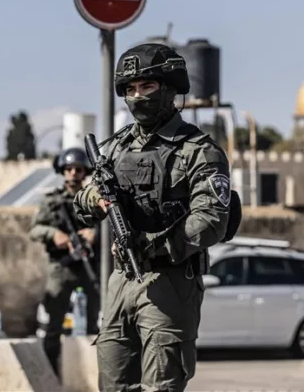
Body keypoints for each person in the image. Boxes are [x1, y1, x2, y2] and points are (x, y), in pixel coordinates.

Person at [73, 43, 239, 391]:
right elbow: (81, 204)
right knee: (112, 384)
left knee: (161, 386)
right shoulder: (115, 148)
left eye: (146, 86)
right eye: (131, 89)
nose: (138, 96)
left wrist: (150, 245)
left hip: (170, 282)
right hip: (121, 281)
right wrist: (97, 200)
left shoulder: (198, 150)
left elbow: (211, 219)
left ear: (169, 89)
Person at [28, 147, 101, 379]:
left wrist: (95, 232)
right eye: (69, 169)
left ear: (85, 172)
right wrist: (54, 235)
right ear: (62, 171)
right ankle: (52, 375)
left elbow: (112, 224)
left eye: (78, 169)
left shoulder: (95, 199)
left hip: (90, 268)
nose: (74, 173)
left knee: (93, 324)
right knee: (54, 325)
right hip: (61, 267)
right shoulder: (52, 201)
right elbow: (35, 230)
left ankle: (92, 375)